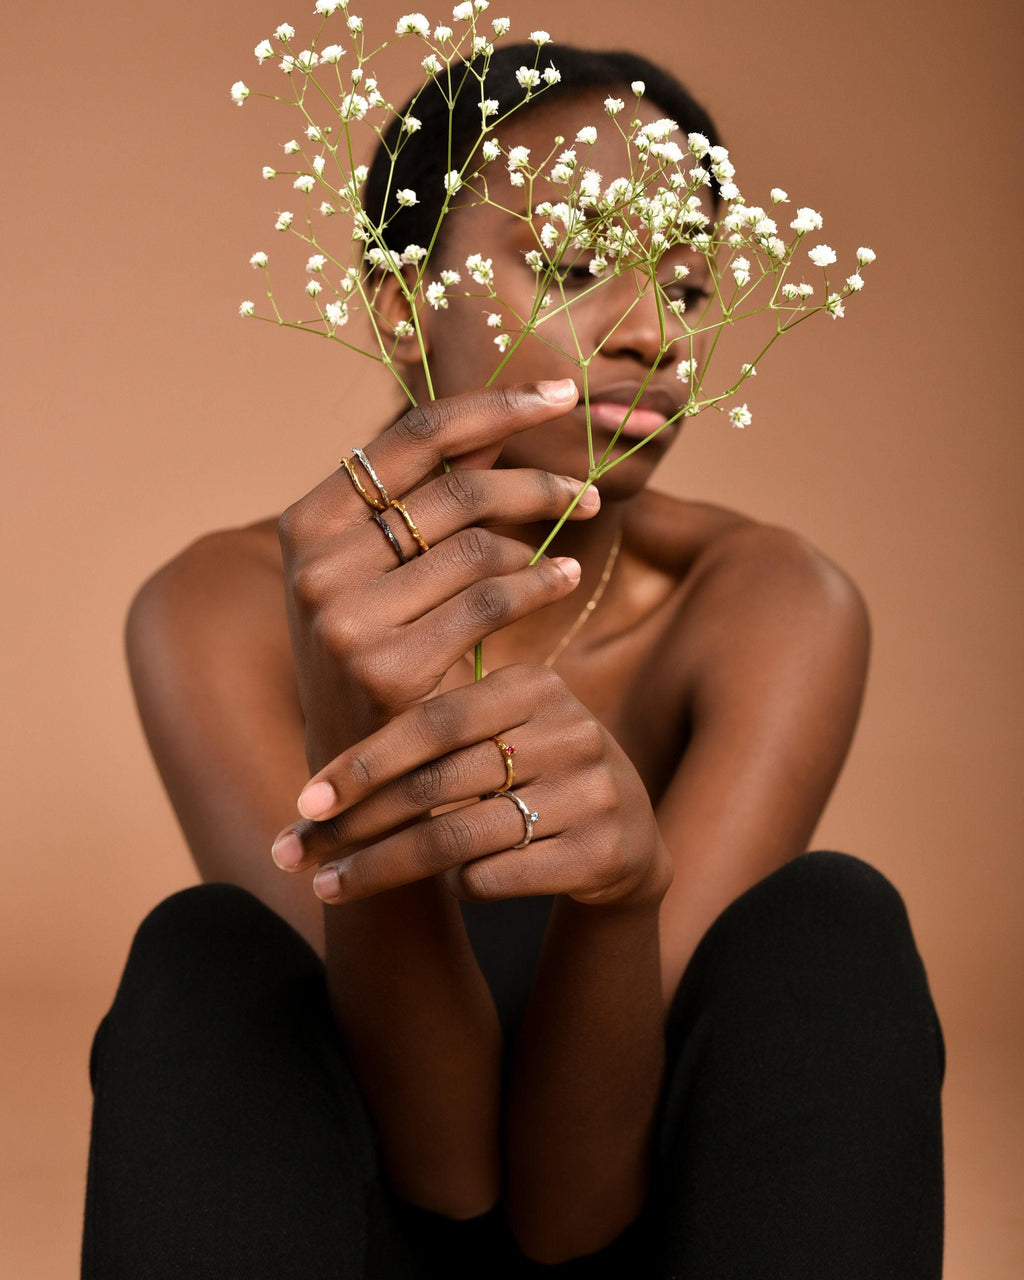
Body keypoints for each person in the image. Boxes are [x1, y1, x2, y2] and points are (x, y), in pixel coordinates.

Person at [82, 45, 945, 1279]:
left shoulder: (758, 604)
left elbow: (567, 1210)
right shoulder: (213, 611)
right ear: (398, 300)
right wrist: (351, 727)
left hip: (649, 1220)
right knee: (206, 956)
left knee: (832, 927)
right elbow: (443, 1169)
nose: (654, 334)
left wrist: (621, 903)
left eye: (689, 290)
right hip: (345, 1231)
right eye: (579, 266)